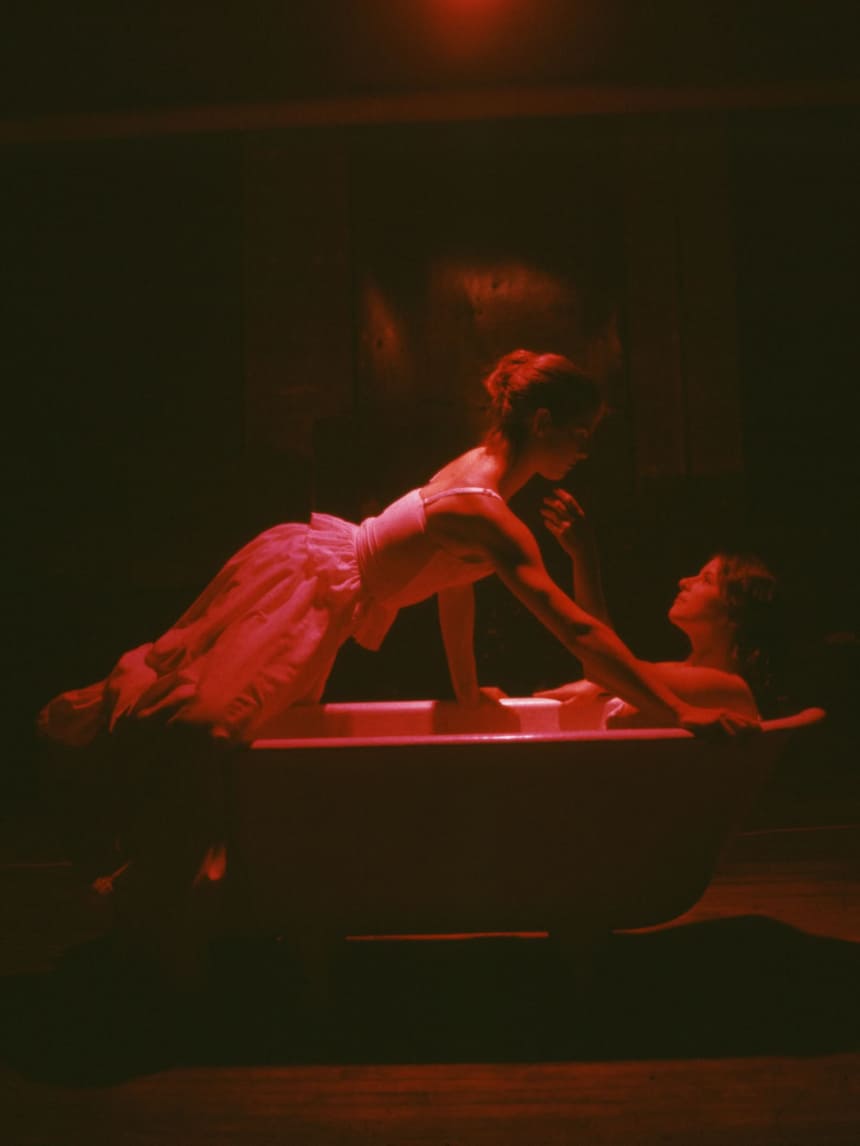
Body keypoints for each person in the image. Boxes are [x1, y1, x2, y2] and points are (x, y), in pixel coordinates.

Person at [36, 349, 759, 977]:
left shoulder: (485, 480)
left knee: (230, 728)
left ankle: (198, 902)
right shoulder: (486, 506)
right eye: (581, 433)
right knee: (208, 724)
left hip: (317, 583)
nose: (585, 450)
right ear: (543, 424)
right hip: (311, 588)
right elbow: (576, 629)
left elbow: (454, 589)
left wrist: (467, 695)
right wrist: (680, 712)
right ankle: (151, 896)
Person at [535, 485, 783, 727]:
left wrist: (584, 555)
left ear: (734, 615)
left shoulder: (730, 689)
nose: (684, 582)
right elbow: (606, 664)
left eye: (706, 580)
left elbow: (603, 663)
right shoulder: (677, 671)